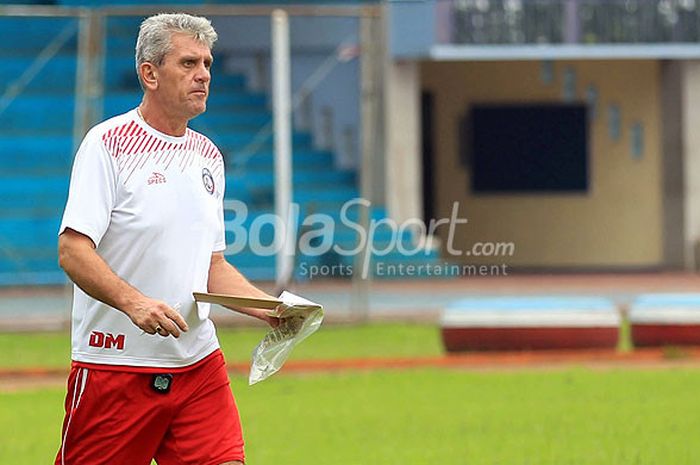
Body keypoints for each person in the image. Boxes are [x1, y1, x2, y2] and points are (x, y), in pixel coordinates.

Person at [55, 13, 278, 465]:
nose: (203, 76)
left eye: (208, 64)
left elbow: (211, 266)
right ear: (149, 73)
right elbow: (73, 250)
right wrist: (135, 303)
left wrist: (272, 310)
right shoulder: (108, 144)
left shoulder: (208, 156)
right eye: (189, 63)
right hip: (115, 368)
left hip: (198, 364)